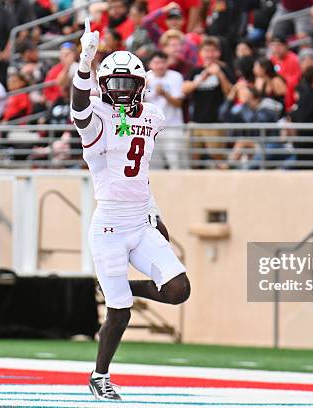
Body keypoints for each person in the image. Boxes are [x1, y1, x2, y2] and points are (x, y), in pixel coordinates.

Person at [70, 20, 190, 400]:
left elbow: (141, 174)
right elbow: (78, 108)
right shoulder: (97, 118)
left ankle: (119, 288)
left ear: (141, 86)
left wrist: (156, 213)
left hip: (140, 218)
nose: (120, 92)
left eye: (128, 84)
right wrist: (85, 64)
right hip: (109, 224)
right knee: (119, 314)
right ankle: (99, 375)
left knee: (178, 289)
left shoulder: (152, 116)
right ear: (103, 87)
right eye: (114, 84)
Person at [183, 36, 235, 166]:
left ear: (218, 53)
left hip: (215, 121)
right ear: (201, 53)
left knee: (218, 156)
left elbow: (230, 93)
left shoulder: (225, 69)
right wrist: (201, 78)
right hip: (196, 120)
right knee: (193, 158)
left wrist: (220, 75)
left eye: (212, 50)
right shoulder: (195, 71)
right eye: (206, 50)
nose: (209, 54)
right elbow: (184, 90)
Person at [145, 51, 186, 169]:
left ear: (167, 63)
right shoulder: (146, 78)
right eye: (156, 62)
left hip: (172, 127)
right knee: (153, 165)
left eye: (163, 62)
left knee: (176, 163)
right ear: (150, 65)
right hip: (152, 129)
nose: (160, 66)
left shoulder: (175, 76)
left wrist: (164, 94)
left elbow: (178, 103)